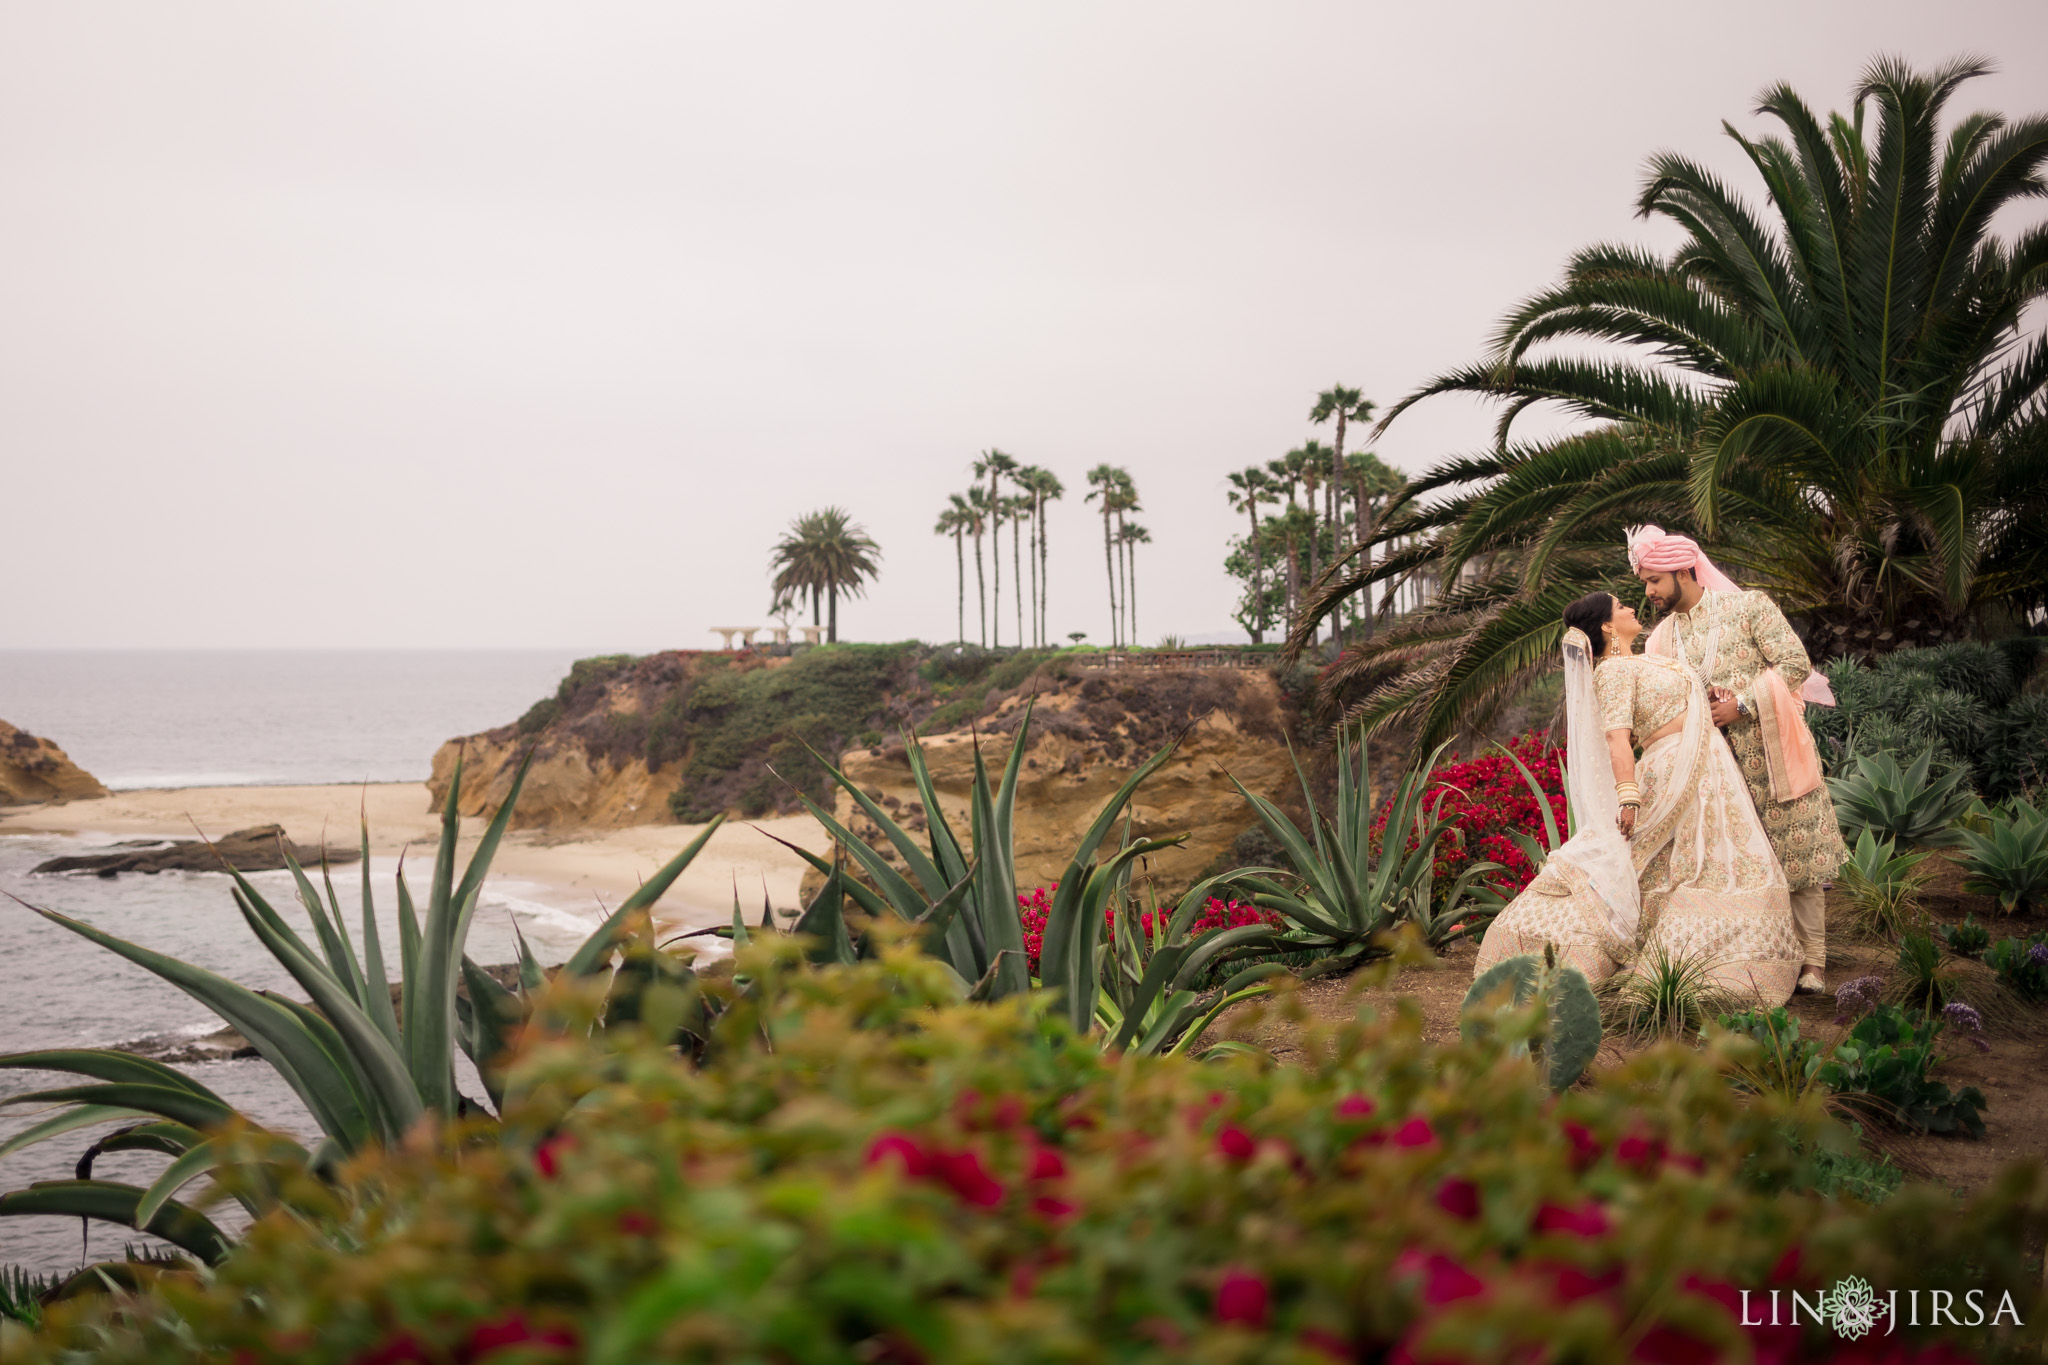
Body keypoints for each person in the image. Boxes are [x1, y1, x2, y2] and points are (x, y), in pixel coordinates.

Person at [1473, 591, 1802, 1005]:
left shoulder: (1645, 659)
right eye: (1621, 606)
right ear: (1608, 626)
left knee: (1703, 866)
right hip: (1671, 773)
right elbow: (1617, 738)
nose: (1631, 607)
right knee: (1678, 868)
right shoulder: (1610, 671)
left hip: (1710, 771)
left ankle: (1718, 963)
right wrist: (1628, 796)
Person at [1627, 526, 1846, 994]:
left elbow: (1793, 664)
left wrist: (1742, 704)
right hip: (1707, 772)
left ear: (1684, 571)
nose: (1647, 593)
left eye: (1654, 581)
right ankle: (1760, 957)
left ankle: (1813, 964)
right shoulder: (1659, 641)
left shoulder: (1749, 607)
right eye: (1644, 582)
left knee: (1794, 852)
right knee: (1733, 864)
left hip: (1768, 752)